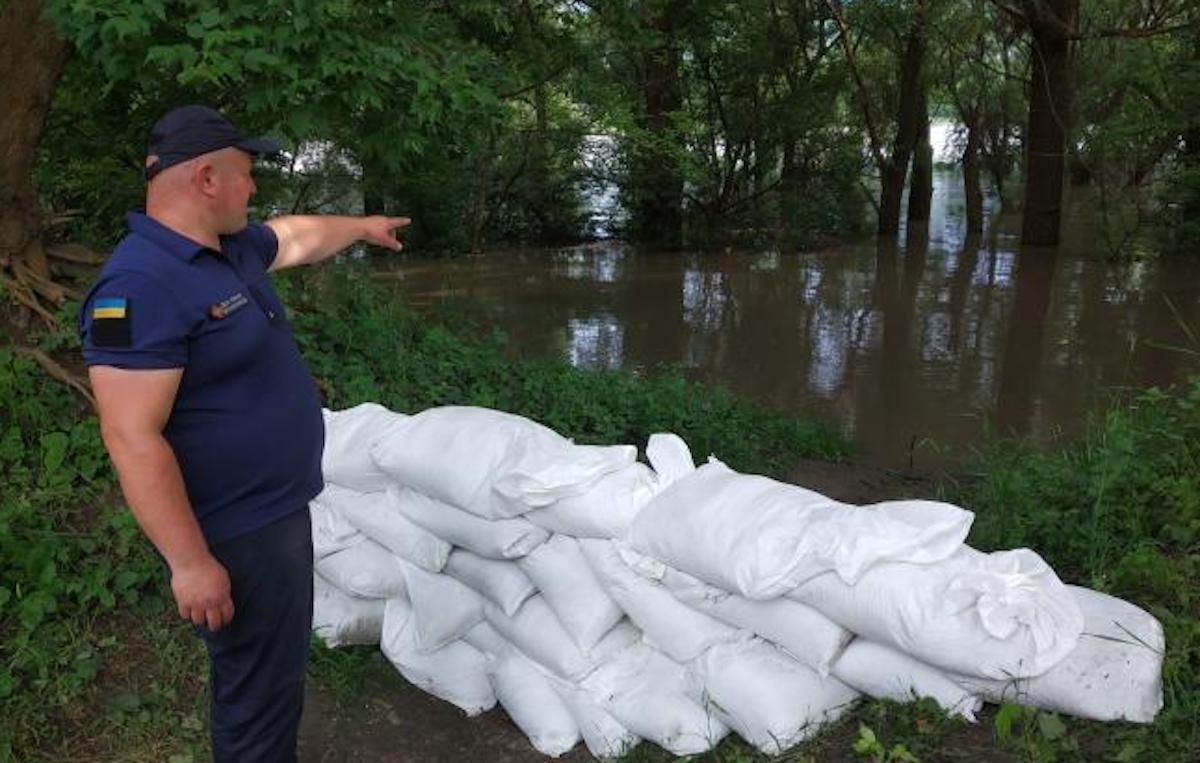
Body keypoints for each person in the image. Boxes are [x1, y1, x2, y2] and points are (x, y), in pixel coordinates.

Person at [79, 105, 409, 761]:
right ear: (206, 177)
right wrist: (191, 563)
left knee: (274, 680)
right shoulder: (140, 285)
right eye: (246, 173)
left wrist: (362, 227)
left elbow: (292, 237)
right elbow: (131, 437)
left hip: (273, 515)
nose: (253, 188)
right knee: (255, 695)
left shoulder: (226, 250)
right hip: (232, 531)